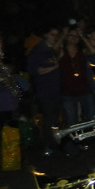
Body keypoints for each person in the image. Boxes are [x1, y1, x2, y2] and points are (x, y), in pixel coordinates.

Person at [26, 26, 65, 155]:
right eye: (52, 34)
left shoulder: (56, 49)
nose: (55, 38)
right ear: (46, 35)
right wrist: (55, 66)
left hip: (59, 89)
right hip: (46, 90)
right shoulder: (39, 50)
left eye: (57, 35)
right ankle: (48, 145)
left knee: (59, 118)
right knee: (50, 119)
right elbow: (37, 71)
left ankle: (58, 143)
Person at [59, 27, 95, 134]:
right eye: (71, 35)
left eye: (76, 36)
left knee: (91, 118)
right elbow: (54, 48)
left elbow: (93, 51)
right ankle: (73, 148)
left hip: (84, 89)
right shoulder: (62, 52)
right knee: (72, 122)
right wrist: (63, 35)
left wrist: (83, 37)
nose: (74, 38)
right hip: (68, 91)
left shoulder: (82, 52)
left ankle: (91, 141)